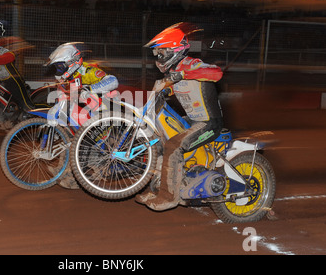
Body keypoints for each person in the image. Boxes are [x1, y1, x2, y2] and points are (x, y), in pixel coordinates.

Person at [136, 22, 224, 211]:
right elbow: (165, 94)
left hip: (209, 124)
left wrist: (182, 74)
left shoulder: (191, 65)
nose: (158, 57)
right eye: (156, 53)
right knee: (159, 142)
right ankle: (161, 188)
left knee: (174, 147)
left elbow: (216, 73)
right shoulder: (174, 73)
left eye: (161, 52)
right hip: (191, 122)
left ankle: (169, 198)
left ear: (173, 50)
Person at [44, 42, 119, 189]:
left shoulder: (87, 71)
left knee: (82, 141)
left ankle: (75, 178)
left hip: (106, 115)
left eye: (60, 66)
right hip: (90, 115)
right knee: (71, 137)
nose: (58, 70)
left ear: (71, 62)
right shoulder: (69, 77)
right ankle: (64, 168)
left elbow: (113, 81)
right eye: (57, 67)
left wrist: (91, 88)